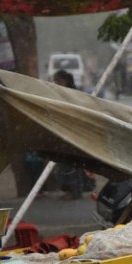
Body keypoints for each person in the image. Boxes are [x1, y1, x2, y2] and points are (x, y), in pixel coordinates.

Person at [52, 69, 89, 200]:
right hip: (66, 132)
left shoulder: (70, 94)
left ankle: (75, 190)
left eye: (57, 81)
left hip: (72, 132)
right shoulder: (63, 93)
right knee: (69, 163)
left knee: (72, 164)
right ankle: (72, 189)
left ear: (64, 80)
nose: (56, 83)